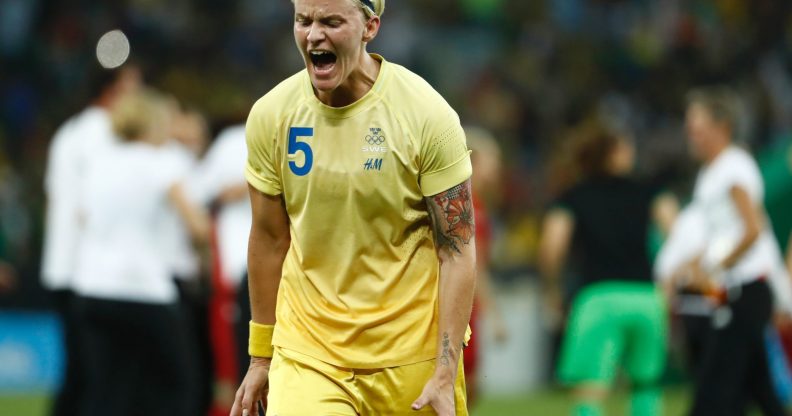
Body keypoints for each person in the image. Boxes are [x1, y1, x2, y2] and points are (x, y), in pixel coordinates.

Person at [230, 1, 476, 415]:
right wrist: (260, 357)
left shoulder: (426, 115)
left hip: (408, 358)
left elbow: (456, 247)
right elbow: (270, 240)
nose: (313, 35)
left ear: (370, 28)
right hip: (309, 353)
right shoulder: (272, 116)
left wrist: (443, 374)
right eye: (303, 21)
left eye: (331, 22)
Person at [72, 88, 209, 416]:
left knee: (108, 392)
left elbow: (82, 217)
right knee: (178, 386)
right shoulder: (161, 162)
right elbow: (197, 227)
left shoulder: (99, 162)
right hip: (144, 290)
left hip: (92, 288)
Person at [539, 125, 675, 416]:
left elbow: (553, 246)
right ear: (614, 154)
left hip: (598, 299)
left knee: (591, 389)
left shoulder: (574, 196)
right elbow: (675, 231)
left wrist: (552, 288)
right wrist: (670, 281)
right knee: (646, 385)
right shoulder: (649, 191)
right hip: (646, 298)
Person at [684, 86, 792, 416]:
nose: (691, 135)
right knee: (756, 385)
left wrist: (712, 267)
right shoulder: (710, 174)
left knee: (716, 386)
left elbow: (751, 229)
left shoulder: (735, 166)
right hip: (728, 287)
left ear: (722, 127)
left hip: (745, 285)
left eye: (698, 128)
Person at [40, 63, 140, 416]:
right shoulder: (105, 134)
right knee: (101, 377)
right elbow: (96, 206)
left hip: (63, 264)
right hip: (92, 271)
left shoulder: (70, 131)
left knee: (81, 373)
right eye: (134, 87)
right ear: (113, 91)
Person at [463, 126, 508, 406]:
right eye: (494, 160)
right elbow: (473, 267)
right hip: (458, 310)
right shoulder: (466, 206)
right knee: (465, 386)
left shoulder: (476, 204)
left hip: (467, 308)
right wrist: (495, 316)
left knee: (469, 387)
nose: (498, 169)